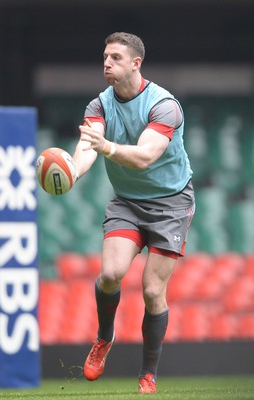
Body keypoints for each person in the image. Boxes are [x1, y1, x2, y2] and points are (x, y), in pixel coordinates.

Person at [72, 32, 195, 394]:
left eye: (114, 57)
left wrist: (105, 146)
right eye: (104, 57)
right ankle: (104, 338)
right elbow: (88, 147)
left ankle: (148, 374)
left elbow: (143, 157)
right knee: (111, 274)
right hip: (127, 201)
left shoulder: (164, 105)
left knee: (153, 290)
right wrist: (72, 172)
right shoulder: (98, 105)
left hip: (171, 205)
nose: (106, 63)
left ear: (135, 63)